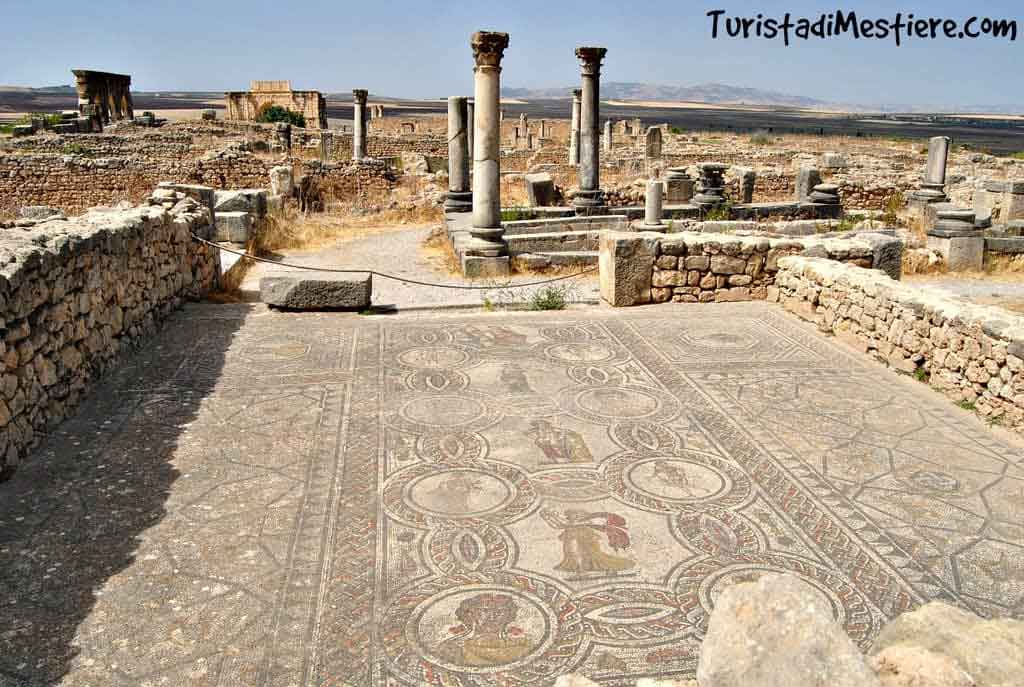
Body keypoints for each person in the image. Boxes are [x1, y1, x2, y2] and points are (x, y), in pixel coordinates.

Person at [540, 509, 634, 574]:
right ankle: (580, 567)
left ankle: (583, 569)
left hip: (586, 539)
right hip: (573, 537)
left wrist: (552, 516)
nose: (571, 516)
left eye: (574, 515)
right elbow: (558, 526)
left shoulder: (586, 522)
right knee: (571, 552)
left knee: (591, 554)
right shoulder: (573, 523)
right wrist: (548, 518)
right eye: (570, 515)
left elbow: (564, 524)